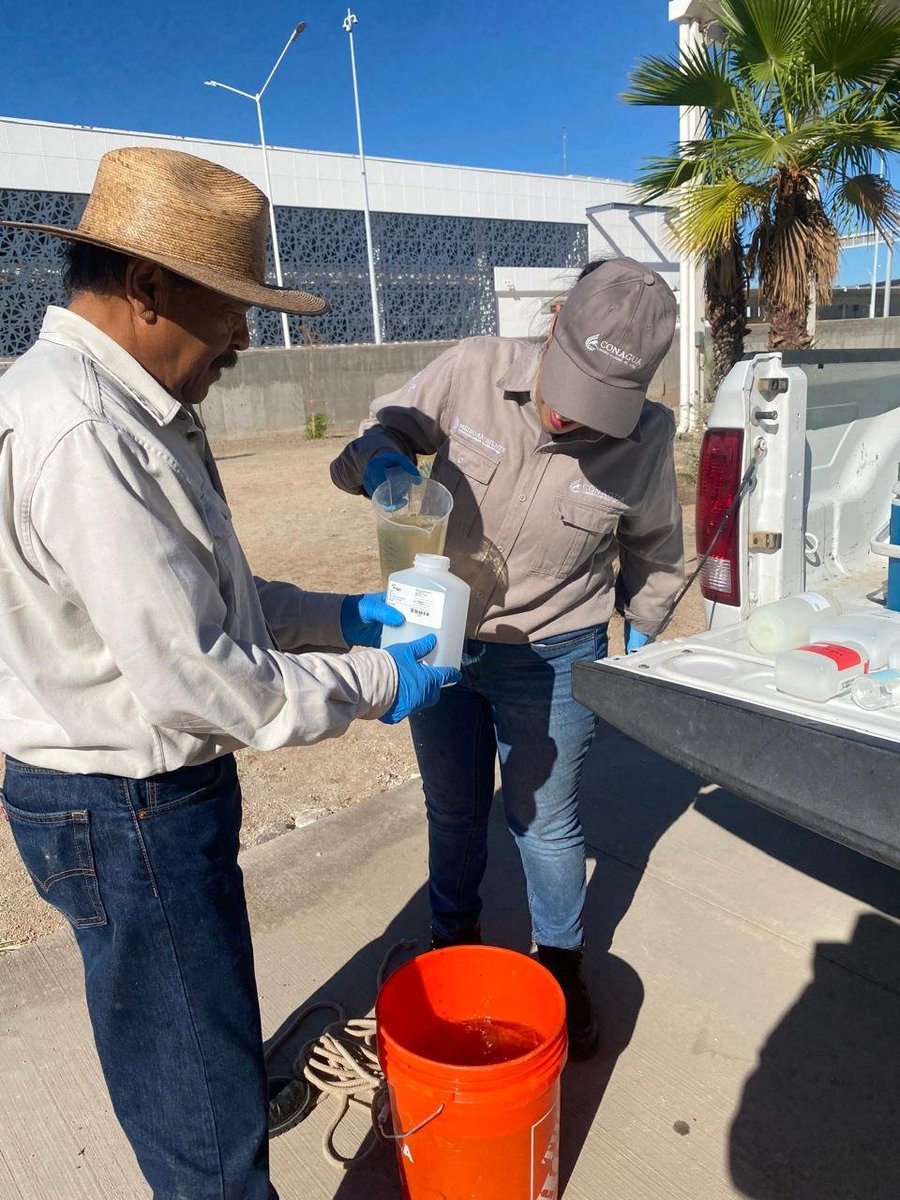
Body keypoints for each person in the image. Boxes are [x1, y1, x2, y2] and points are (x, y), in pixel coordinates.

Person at [0, 146, 458, 1200]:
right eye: (236, 306)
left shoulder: (123, 405)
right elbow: (203, 682)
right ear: (150, 289)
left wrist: (338, 613)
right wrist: (384, 683)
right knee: (204, 1132)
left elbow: (206, 597)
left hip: (133, 808)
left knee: (194, 1043)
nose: (249, 334)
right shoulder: (86, 430)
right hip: (128, 808)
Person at [331, 257, 683, 1060]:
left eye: (600, 405)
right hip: (441, 641)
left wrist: (647, 640)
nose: (569, 419)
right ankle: (448, 944)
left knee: (544, 823)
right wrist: (383, 456)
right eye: (568, 388)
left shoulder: (647, 438)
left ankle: (558, 969)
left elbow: (657, 549)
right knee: (453, 808)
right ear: (553, 326)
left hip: (556, 652)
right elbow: (373, 432)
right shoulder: (473, 369)